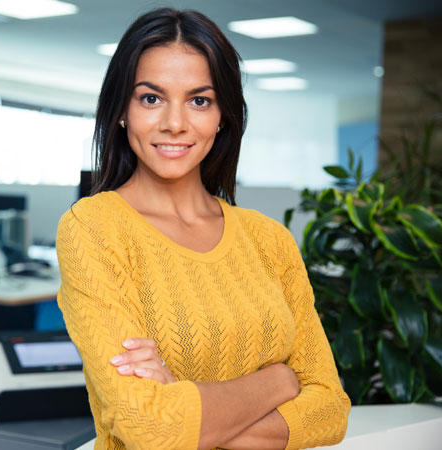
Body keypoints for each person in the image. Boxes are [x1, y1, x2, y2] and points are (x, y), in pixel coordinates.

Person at [56, 8, 350, 450]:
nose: (175, 123)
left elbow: (330, 412)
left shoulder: (269, 239)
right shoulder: (93, 229)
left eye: (199, 100)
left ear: (223, 116)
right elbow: (148, 427)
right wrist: (279, 380)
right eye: (151, 98)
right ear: (121, 110)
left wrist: (186, 403)